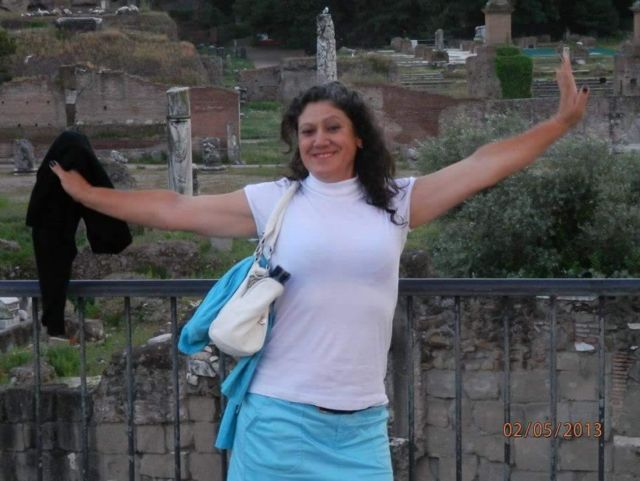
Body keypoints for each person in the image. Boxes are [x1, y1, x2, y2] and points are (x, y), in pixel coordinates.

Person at [50, 53, 588, 480]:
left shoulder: (397, 202)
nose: (319, 140)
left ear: (358, 137)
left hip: (362, 428)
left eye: (332, 128)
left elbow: (483, 164)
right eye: (307, 131)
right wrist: (89, 195)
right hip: (277, 421)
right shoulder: (275, 201)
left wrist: (560, 122)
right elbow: (175, 208)